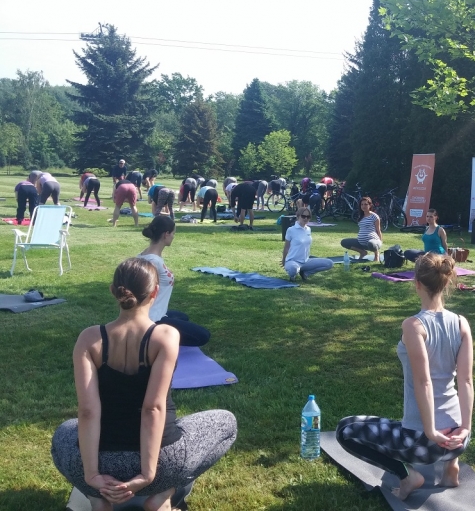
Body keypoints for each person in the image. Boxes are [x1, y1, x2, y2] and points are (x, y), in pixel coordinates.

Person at [50, 257, 236, 511]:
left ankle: (97, 498)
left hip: (101, 466)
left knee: (65, 430)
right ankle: (162, 495)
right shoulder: (167, 335)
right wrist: (148, 475)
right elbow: (153, 409)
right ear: (155, 292)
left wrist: (92, 476)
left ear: (113, 291)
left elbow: (88, 412)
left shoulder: (89, 338)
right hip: (161, 464)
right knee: (227, 422)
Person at [336, 253, 473, 501]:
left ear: (416, 283)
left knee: (345, 430)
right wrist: (465, 428)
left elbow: (424, 382)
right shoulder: (462, 323)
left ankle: (407, 476)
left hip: (424, 442)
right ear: (447, 281)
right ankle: (451, 467)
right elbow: (465, 381)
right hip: (459, 438)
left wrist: (431, 431)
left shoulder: (414, 326)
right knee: (447, 396)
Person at [139, 216, 210, 346]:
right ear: (166, 234)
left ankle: (158, 332)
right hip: (152, 320)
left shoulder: (146, 255)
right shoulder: (153, 262)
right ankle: (153, 337)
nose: (173, 236)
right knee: (203, 336)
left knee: (182, 317)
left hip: (158, 314)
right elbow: (142, 294)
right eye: (173, 233)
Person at [281, 208, 335, 281]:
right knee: (293, 270)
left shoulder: (308, 229)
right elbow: (286, 247)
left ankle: (305, 273)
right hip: (293, 261)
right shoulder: (291, 230)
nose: (306, 218)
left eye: (308, 217)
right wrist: (284, 260)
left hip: (306, 261)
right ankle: (293, 275)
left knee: (329, 263)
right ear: (298, 216)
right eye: (303, 216)